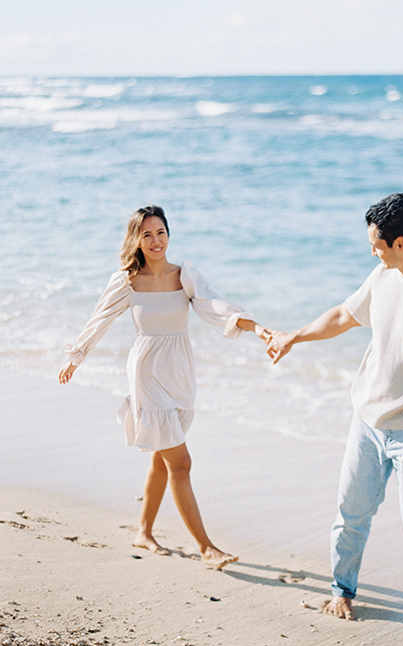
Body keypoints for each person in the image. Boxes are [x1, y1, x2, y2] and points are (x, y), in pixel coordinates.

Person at [266, 192, 403, 644]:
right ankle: (342, 589)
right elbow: (344, 315)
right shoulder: (385, 276)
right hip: (367, 422)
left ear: (401, 243)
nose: (372, 252)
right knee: (351, 512)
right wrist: (293, 337)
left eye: (376, 245)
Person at [59, 205, 271, 569]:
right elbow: (100, 319)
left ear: (168, 235)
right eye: (147, 234)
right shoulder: (127, 280)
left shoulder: (183, 275)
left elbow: (214, 305)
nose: (155, 241)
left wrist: (257, 328)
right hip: (147, 374)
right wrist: (75, 357)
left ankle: (144, 531)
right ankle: (206, 547)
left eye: (160, 232)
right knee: (181, 462)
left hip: (180, 372)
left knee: (162, 456)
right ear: (136, 240)